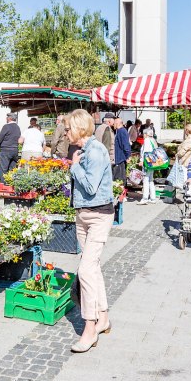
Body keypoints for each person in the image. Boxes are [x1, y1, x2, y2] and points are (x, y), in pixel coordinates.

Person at [65, 109, 115, 354]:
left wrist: (74, 167)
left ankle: (90, 327)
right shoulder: (84, 151)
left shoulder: (94, 151)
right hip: (83, 214)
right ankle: (103, 316)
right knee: (92, 267)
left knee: (85, 269)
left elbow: (91, 186)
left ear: (79, 128)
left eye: (68, 129)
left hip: (98, 215)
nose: (65, 132)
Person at [175, 123, 191, 196]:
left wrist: (177, 154)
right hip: (188, 160)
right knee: (189, 177)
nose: (185, 131)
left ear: (187, 130)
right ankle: (189, 194)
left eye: (185, 129)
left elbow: (184, 150)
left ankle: (189, 195)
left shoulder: (190, 139)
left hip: (187, 160)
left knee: (187, 178)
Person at [139, 128, 160, 202]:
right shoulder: (153, 140)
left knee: (146, 179)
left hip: (147, 163)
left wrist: (142, 161)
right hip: (152, 163)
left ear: (145, 134)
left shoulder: (147, 140)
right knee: (151, 179)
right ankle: (153, 197)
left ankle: (145, 198)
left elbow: (146, 152)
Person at [113, 116, 132, 183]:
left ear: (118, 123)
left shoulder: (122, 131)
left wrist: (128, 156)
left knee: (120, 178)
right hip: (119, 158)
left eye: (114, 123)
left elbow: (125, 145)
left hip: (121, 158)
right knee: (118, 177)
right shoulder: (118, 131)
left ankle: (122, 191)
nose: (113, 124)